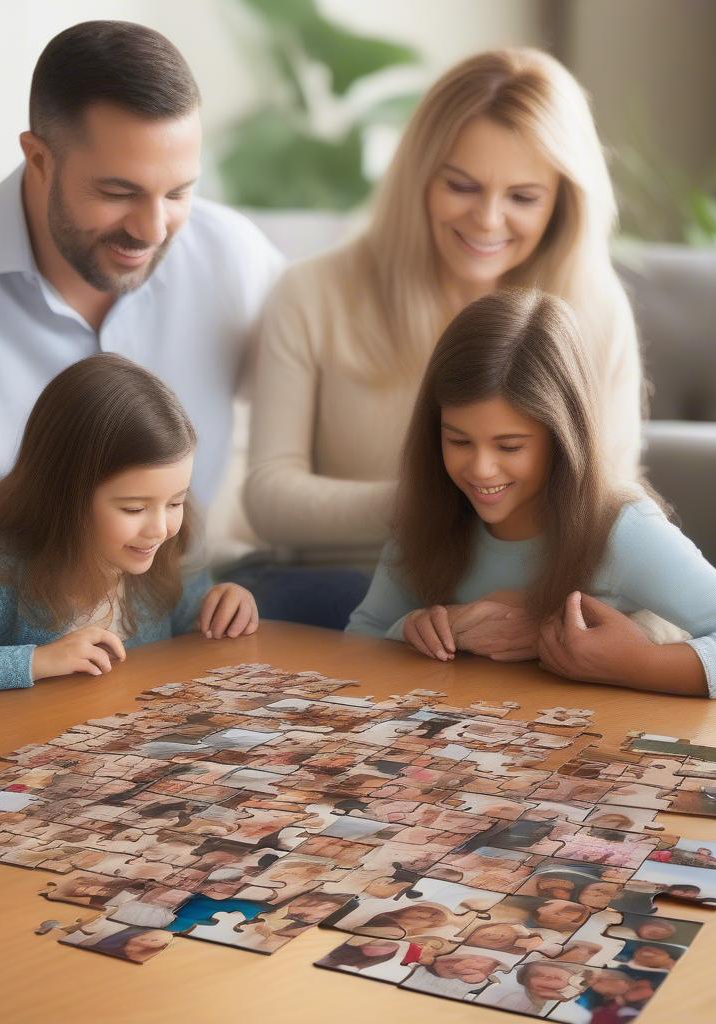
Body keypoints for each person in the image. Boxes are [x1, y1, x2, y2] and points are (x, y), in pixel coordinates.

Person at [0, 20, 283, 698]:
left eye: (178, 192)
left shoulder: (236, 262)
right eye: (117, 192)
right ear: (37, 158)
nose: (153, 228)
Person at [240, 47, 644, 631]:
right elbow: (269, 497)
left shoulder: (595, 308)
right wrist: (437, 500)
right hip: (341, 592)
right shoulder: (311, 292)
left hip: (520, 598)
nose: (487, 220)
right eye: (461, 186)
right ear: (418, 177)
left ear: (562, 203)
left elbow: (607, 495)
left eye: (523, 198)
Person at [346, 289, 716, 698]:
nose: (480, 468)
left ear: (562, 439)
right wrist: (411, 628)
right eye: (458, 441)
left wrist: (634, 663)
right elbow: (356, 640)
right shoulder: (431, 517)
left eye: (510, 446)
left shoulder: (618, 530)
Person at [0, 355, 258, 701]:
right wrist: (37, 660)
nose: (159, 528)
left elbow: (195, 624)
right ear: (65, 497)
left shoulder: (165, 550)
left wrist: (226, 602)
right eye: (134, 508)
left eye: (175, 502)